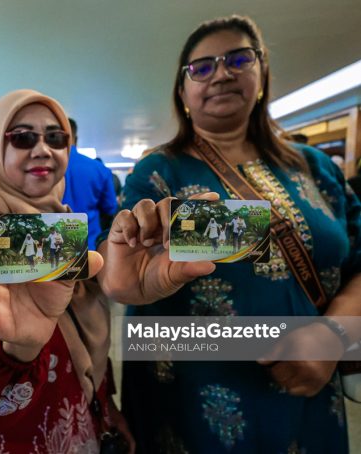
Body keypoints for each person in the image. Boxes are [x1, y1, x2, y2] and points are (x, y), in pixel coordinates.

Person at [98, 15, 361, 453]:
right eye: (201, 67)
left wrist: (333, 335)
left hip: (313, 390)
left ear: (262, 75)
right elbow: (122, 266)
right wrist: (119, 281)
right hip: (193, 405)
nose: (222, 72)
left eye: (239, 59)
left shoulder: (315, 168)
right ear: (182, 92)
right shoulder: (159, 171)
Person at [0, 89, 133, 453]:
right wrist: (20, 347)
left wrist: (106, 407)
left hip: (76, 418)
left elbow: (79, 329)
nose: (43, 149)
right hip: (10, 437)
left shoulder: (58, 221)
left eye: (56, 137)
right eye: (22, 138)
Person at [62, 118, 118, 250]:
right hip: (90, 246)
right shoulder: (99, 169)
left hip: (54, 245)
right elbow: (110, 207)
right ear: (76, 138)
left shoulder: (41, 169)